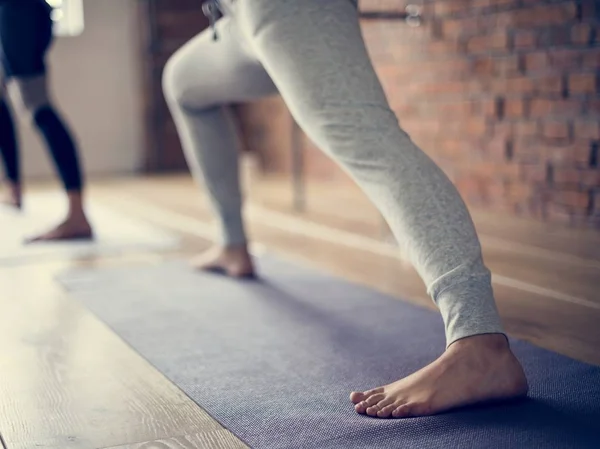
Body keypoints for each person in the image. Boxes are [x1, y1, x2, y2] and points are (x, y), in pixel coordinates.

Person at [162, 0, 528, 419]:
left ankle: (479, 343)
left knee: (369, 142)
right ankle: (231, 245)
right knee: (183, 81)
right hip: (238, 22)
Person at [0, 0, 92, 241]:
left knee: (38, 109)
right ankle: (14, 189)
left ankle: (77, 215)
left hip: (18, 12)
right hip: (17, 11)